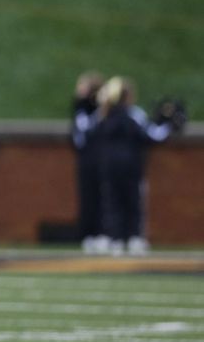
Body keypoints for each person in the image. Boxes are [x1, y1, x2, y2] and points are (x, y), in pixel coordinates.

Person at [91, 76, 179, 255]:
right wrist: (167, 124)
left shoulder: (103, 114)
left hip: (109, 166)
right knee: (132, 201)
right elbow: (151, 135)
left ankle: (114, 239)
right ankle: (134, 238)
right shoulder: (133, 114)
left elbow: (89, 134)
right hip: (131, 165)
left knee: (112, 201)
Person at [70, 71, 105, 253]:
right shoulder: (79, 107)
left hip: (98, 158)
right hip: (85, 158)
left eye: (82, 86)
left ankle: (101, 233)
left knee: (101, 196)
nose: (78, 90)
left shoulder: (100, 109)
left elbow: (92, 129)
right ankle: (88, 234)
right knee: (87, 197)